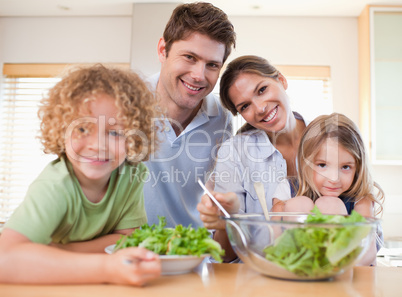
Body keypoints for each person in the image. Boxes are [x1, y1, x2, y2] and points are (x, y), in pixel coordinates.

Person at [0, 64, 162, 285]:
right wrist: (107, 268)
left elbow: (130, 238)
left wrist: (66, 250)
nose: (97, 145)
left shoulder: (130, 174)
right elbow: (5, 259)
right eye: (82, 129)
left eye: (115, 132)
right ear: (60, 130)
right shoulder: (55, 185)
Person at [197, 55, 309, 262]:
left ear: (281, 80)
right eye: (245, 106)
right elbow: (225, 256)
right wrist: (228, 220)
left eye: (262, 90)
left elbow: (366, 228)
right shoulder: (235, 152)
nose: (259, 108)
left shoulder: (331, 138)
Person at [143, 2, 236, 228]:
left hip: (195, 249)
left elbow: (218, 192)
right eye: (189, 57)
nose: (198, 76)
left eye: (212, 65)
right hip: (133, 248)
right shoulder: (126, 100)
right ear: (162, 50)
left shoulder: (222, 118)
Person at [274, 112, 385, 265]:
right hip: (297, 269)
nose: (334, 178)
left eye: (346, 167)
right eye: (322, 165)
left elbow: (367, 253)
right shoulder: (288, 188)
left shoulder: (360, 198)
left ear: (358, 167)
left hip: (347, 272)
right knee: (297, 204)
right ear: (305, 162)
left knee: (330, 204)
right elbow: (272, 239)